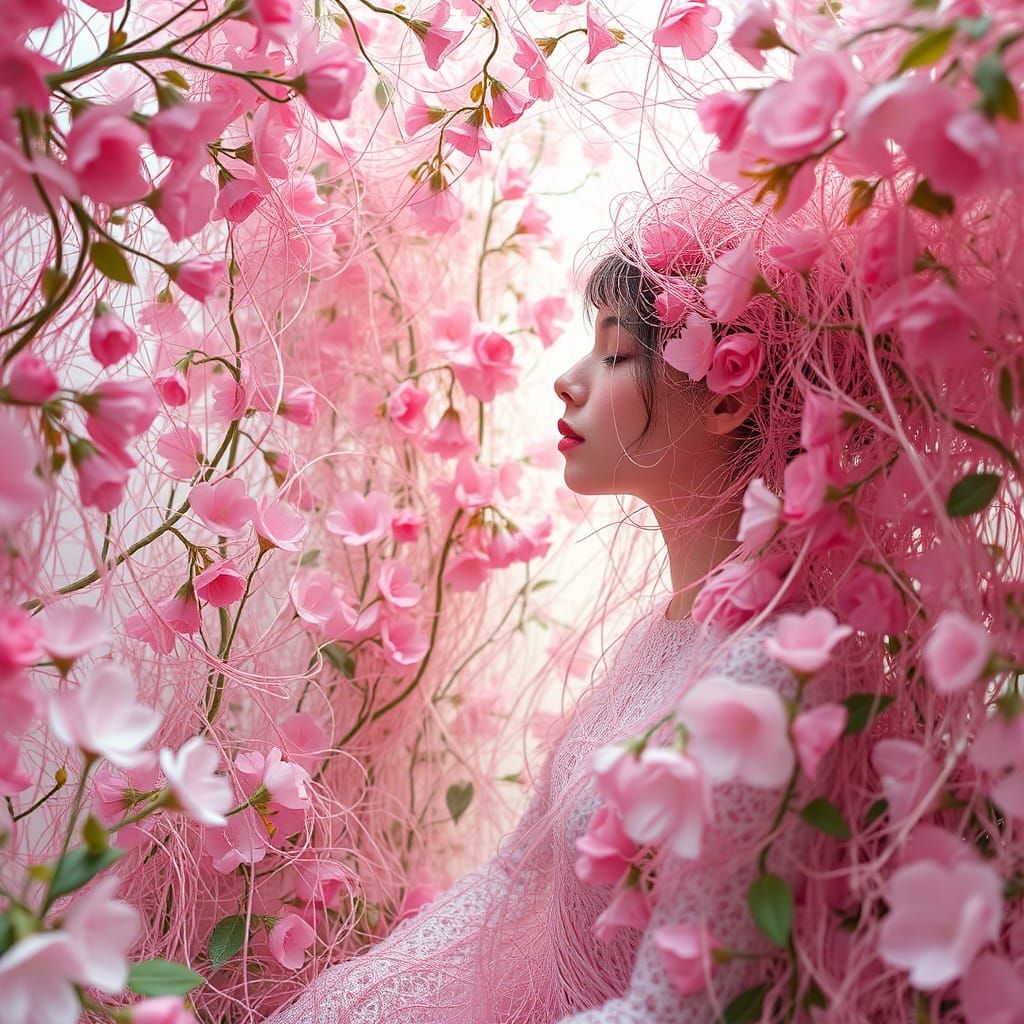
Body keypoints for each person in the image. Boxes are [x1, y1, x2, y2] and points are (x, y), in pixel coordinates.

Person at [264, 179, 847, 1023]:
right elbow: (510, 880)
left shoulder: (769, 670)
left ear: (727, 390)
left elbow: (681, 1009)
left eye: (613, 354)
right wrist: (336, 1006)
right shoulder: (661, 640)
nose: (566, 384)